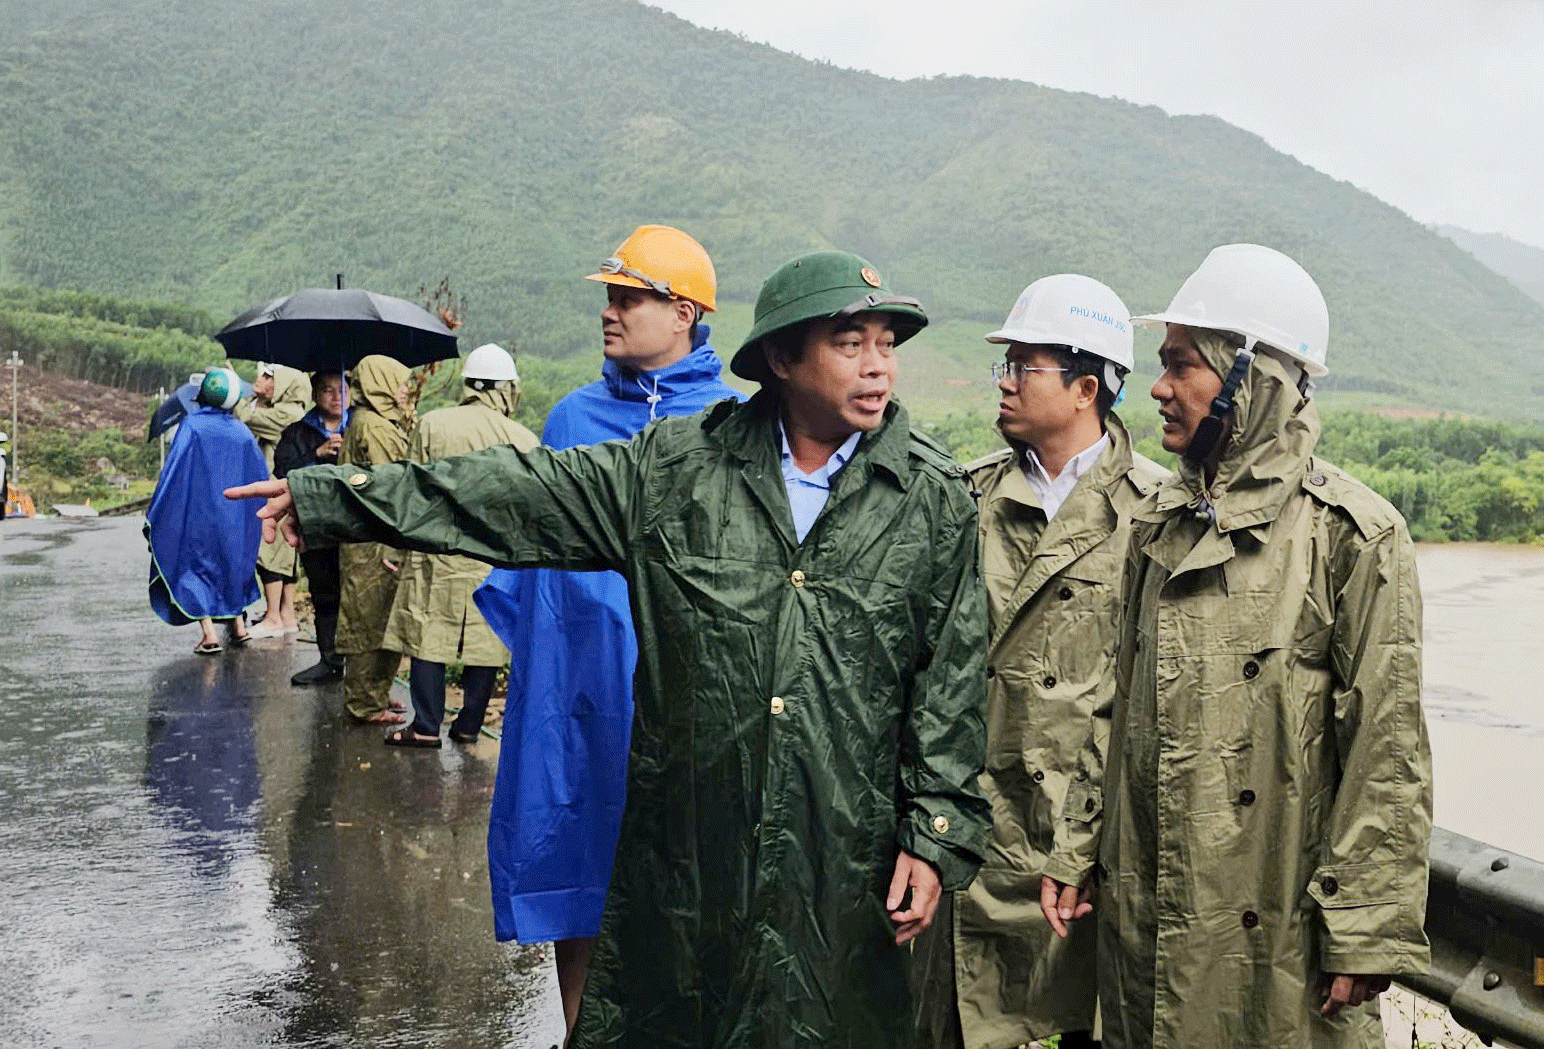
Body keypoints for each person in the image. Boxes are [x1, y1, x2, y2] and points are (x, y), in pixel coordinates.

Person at [230, 249, 991, 1048]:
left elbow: (949, 679)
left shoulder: (928, 498)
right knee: (677, 1014)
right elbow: (518, 494)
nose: (878, 367)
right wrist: (337, 495)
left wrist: (933, 831)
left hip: (845, 839)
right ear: (781, 357)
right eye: (850, 342)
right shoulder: (681, 468)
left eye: (887, 344)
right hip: (690, 838)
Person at [1039, 245, 1432, 1048]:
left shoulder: (1352, 535)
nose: (1157, 387)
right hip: (1144, 920)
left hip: (1277, 934)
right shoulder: (1154, 526)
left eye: (1182, 365)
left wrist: (1362, 922)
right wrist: (1078, 842)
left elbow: (1385, 751)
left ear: (1251, 382)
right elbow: (1113, 703)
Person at [473, 225, 743, 1033]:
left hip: (696, 695)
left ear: (686, 311)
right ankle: (579, 1029)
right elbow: (523, 573)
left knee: (700, 877)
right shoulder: (571, 420)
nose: (610, 312)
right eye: (608, 297)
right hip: (582, 693)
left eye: (629, 297)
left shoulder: (735, 424)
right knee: (582, 871)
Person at [913, 275, 1166, 1049]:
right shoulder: (969, 498)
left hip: (1092, 845)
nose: (1007, 381)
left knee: (1091, 1019)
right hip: (980, 830)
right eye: (1008, 364)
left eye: (1025, 365)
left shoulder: (1157, 514)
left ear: (1086, 387)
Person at [378, 344, 539, 749]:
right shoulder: (522, 438)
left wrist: (394, 551)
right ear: (507, 389)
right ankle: (469, 725)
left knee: (428, 633)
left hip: (437, 551)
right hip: (494, 557)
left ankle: (425, 727)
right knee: (486, 638)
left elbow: (408, 491)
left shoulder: (433, 424)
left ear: (468, 384)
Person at [146, 367, 267, 653]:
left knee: (196, 570)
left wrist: (157, 511)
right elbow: (259, 476)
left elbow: (173, 472)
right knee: (233, 566)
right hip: (235, 517)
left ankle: (210, 634)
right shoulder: (242, 432)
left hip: (200, 516)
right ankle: (238, 627)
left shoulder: (192, 427)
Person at [335, 355, 416, 726]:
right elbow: (392, 485)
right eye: (399, 384)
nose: (405, 392)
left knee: (377, 615)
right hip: (374, 540)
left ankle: (375, 693)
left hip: (366, 537)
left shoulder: (369, 422)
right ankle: (365, 703)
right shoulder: (377, 428)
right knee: (369, 619)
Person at [274, 371, 351, 685]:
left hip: (355, 527)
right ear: (315, 394)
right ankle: (330, 661)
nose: (336, 397)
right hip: (317, 526)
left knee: (360, 598)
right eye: (327, 390)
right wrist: (315, 456)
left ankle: (363, 672)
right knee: (325, 594)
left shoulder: (361, 427)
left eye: (341, 390)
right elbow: (282, 472)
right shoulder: (297, 432)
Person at [237, 362, 309, 637]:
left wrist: (244, 400)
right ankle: (287, 616)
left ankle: (273, 617)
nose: (262, 380)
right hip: (284, 487)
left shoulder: (287, 413)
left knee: (270, 554)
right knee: (285, 556)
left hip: (276, 490)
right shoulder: (288, 411)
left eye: (270, 377)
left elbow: (246, 417)